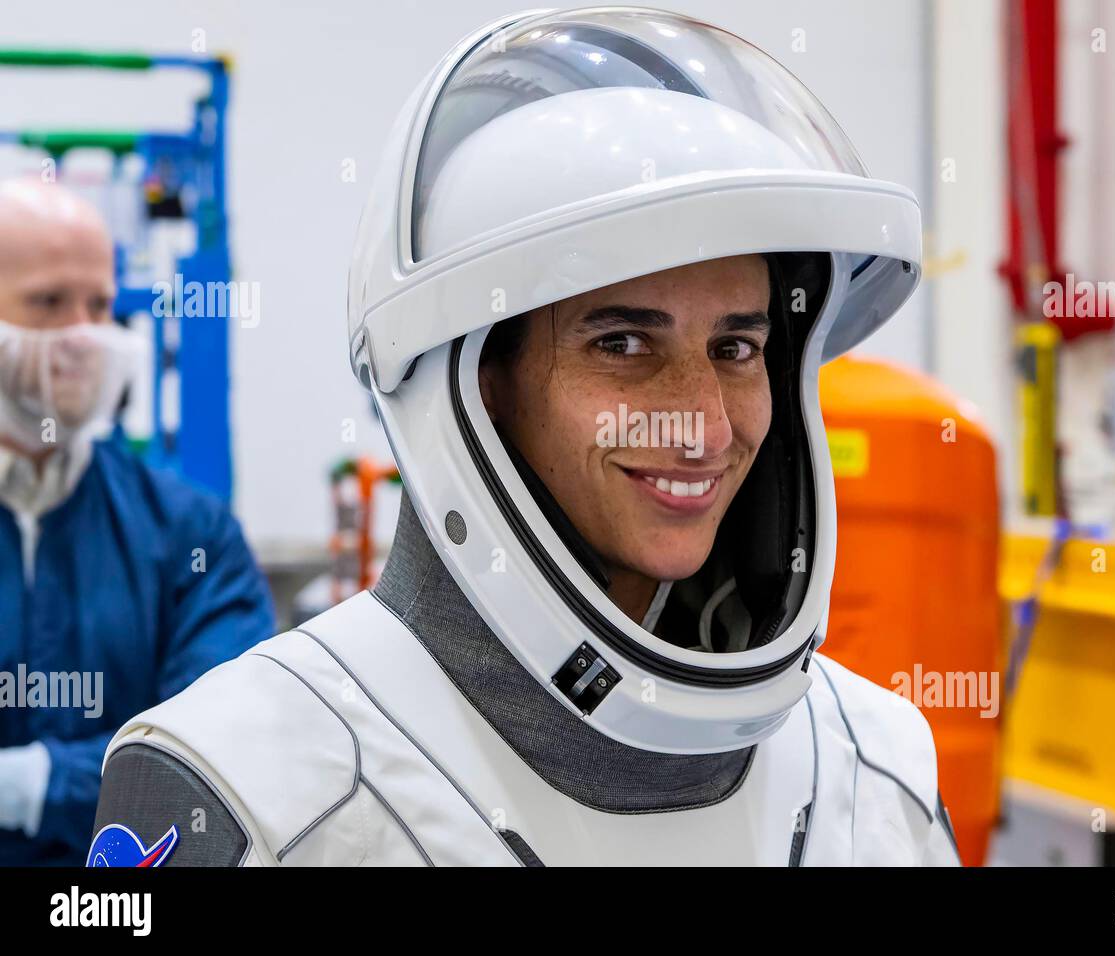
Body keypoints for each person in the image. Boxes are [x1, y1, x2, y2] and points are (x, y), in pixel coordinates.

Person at [91, 6, 962, 866]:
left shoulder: (879, 768)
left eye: (736, 347)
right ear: (478, 382)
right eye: (622, 344)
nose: (702, 425)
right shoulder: (248, 788)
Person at [0, 177, 274, 865]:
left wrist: (32, 785)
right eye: (48, 303)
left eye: (98, 304)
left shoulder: (191, 536)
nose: (83, 337)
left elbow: (212, 758)